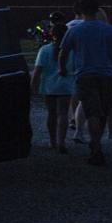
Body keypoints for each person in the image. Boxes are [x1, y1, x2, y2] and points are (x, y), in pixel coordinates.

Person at [56, 0, 112, 166]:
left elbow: (63, 52)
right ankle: (97, 142)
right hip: (107, 75)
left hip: (85, 75)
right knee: (103, 111)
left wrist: (62, 69)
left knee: (92, 111)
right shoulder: (110, 29)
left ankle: (96, 146)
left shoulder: (74, 30)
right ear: (97, 9)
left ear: (81, 11)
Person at [32, 20, 75, 153]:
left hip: (49, 87)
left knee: (51, 114)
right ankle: (61, 142)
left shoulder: (44, 50)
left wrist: (33, 85)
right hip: (65, 86)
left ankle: (52, 141)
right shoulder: (72, 51)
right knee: (63, 114)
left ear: (52, 34)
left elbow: (38, 70)